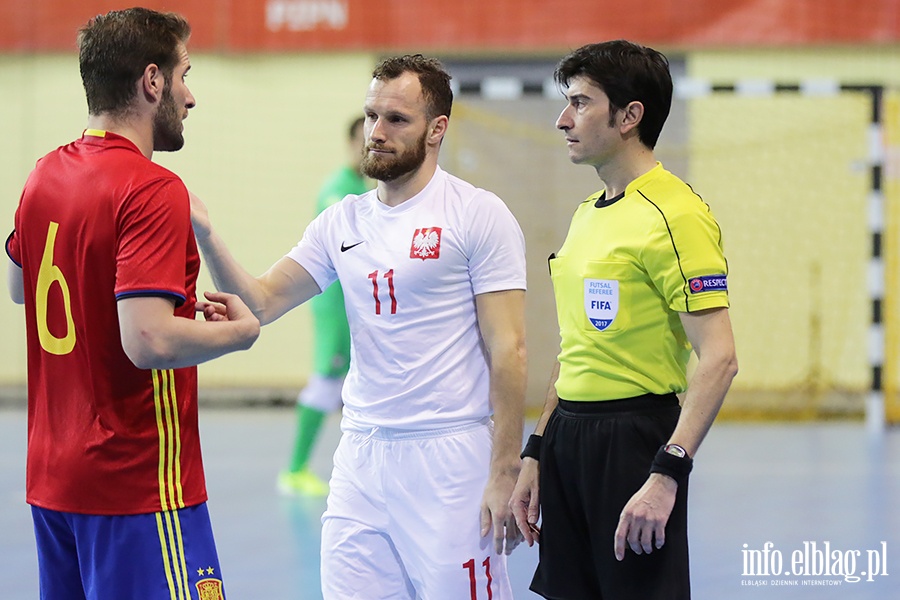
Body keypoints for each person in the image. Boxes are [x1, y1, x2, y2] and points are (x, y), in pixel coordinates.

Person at [190, 54, 527, 599]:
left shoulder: (478, 215)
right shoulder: (341, 220)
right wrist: (205, 232)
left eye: (397, 120)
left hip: (450, 458)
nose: (377, 132)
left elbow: (509, 349)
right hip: (361, 457)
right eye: (372, 116)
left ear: (437, 128)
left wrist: (504, 469)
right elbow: (263, 298)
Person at [5, 8, 260, 599]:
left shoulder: (44, 173)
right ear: (152, 82)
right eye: (185, 74)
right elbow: (149, 340)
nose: (190, 96)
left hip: (53, 483)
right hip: (138, 486)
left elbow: (22, 290)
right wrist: (240, 334)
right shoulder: (151, 187)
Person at [510, 40, 739, 600]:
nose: (564, 120)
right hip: (568, 440)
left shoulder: (676, 213)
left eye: (582, 103)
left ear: (630, 115)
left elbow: (720, 357)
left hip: (634, 442)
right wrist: (537, 451)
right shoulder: (586, 214)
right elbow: (575, 350)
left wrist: (667, 474)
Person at [278, 115, 369, 497]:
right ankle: (295, 469)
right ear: (352, 143)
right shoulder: (338, 191)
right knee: (326, 382)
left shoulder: (362, 188)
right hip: (335, 306)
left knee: (345, 385)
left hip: (353, 307)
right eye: (365, 140)